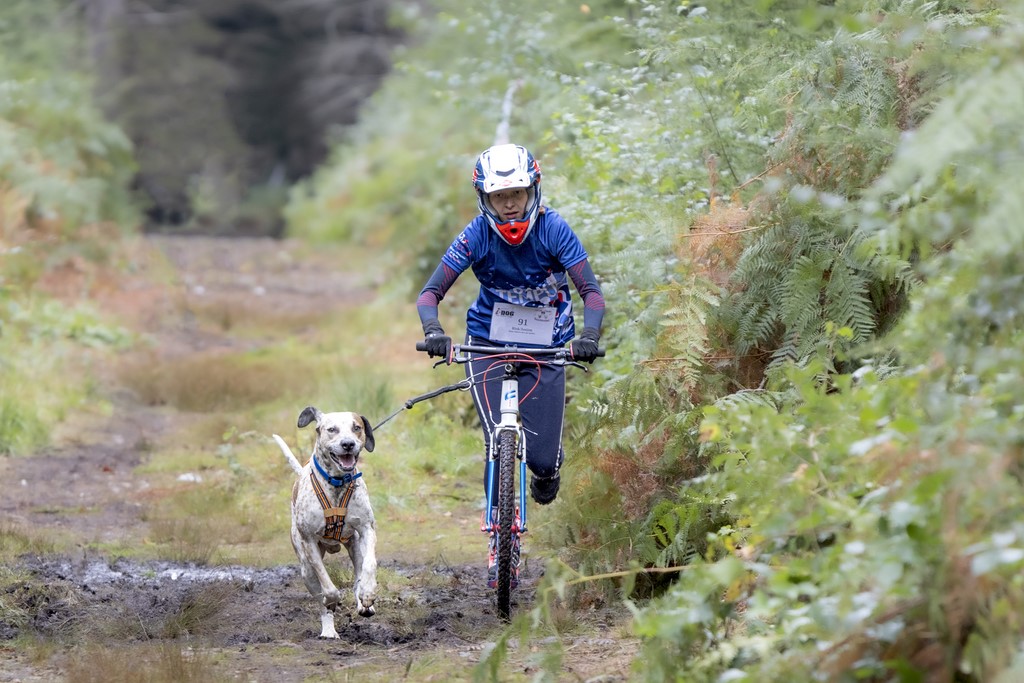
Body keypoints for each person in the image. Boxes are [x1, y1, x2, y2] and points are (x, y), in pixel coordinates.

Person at [415, 143, 605, 586]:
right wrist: (434, 331)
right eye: (499, 196)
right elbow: (429, 294)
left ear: (532, 190)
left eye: (517, 193)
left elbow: (591, 293)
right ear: (485, 198)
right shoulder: (476, 235)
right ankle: (499, 538)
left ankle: (547, 468)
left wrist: (589, 338)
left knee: (542, 461)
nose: (510, 204)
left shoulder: (554, 229)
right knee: (495, 441)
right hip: (486, 344)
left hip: (547, 348)